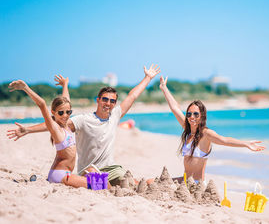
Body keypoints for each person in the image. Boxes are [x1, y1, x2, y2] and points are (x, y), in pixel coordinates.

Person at [7, 64, 161, 186]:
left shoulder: (115, 115)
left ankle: (153, 182)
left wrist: (147, 78)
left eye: (112, 101)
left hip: (111, 168)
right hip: (88, 170)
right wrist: (28, 129)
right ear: (98, 100)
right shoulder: (83, 120)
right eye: (105, 99)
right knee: (106, 185)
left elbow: (132, 96)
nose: (108, 103)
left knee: (130, 183)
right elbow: (56, 123)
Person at [159, 76, 265, 183]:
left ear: (202, 116)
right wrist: (164, 88)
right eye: (189, 114)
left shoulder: (205, 133)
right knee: (150, 182)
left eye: (196, 114)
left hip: (196, 185)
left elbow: (224, 140)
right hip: (184, 181)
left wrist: (246, 144)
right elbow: (175, 108)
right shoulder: (188, 130)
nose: (192, 117)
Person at [8, 75, 87, 187]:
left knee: (102, 182)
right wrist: (25, 87)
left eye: (68, 112)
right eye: (61, 113)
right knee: (95, 184)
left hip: (66, 173)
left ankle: (39, 179)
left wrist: (65, 85)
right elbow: (42, 104)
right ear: (53, 112)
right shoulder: (56, 129)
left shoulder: (67, 126)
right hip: (60, 174)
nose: (65, 115)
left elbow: (66, 100)